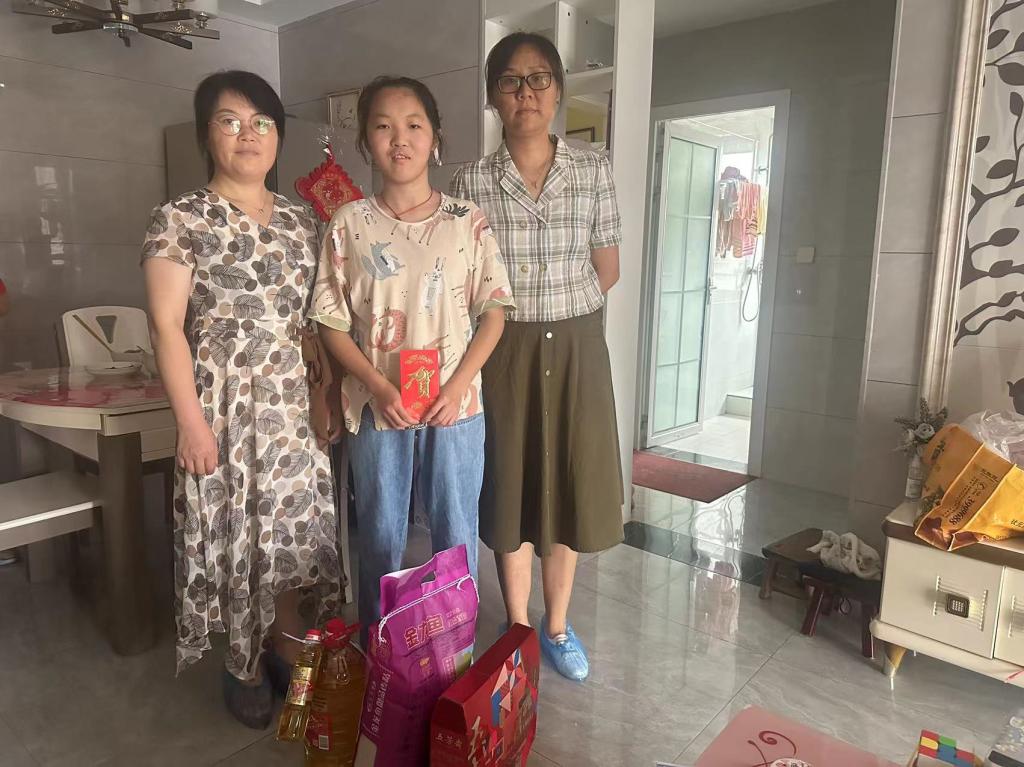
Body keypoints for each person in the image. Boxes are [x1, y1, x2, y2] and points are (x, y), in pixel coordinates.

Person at [141, 70, 342, 729]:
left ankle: (283, 644)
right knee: (235, 534)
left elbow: (315, 323)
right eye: (230, 120)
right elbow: (166, 326)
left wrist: (325, 396)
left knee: (291, 535)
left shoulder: (302, 220)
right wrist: (190, 423)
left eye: (262, 122)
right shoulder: (180, 218)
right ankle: (243, 663)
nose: (247, 134)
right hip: (222, 406)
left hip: (292, 409)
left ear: (278, 136)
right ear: (207, 134)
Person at [310, 76, 513, 640]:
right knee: (380, 536)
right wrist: (378, 386)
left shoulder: (466, 221)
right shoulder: (349, 225)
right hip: (379, 407)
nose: (399, 138)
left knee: (455, 533)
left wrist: (458, 384)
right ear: (366, 142)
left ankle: (456, 649)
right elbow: (330, 322)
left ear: (435, 138)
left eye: (413, 125)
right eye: (383, 126)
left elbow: (495, 312)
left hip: (455, 407)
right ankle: (382, 651)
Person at [451, 32, 624, 681]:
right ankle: (519, 625)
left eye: (539, 78)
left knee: (568, 483)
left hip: (578, 347)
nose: (526, 93)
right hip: (504, 348)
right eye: (511, 81)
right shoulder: (470, 182)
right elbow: (465, 280)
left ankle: (557, 625)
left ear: (558, 90)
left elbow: (607, 267)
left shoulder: (594, 169)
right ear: (493, 96)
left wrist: (560, 312)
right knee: (512, 483)